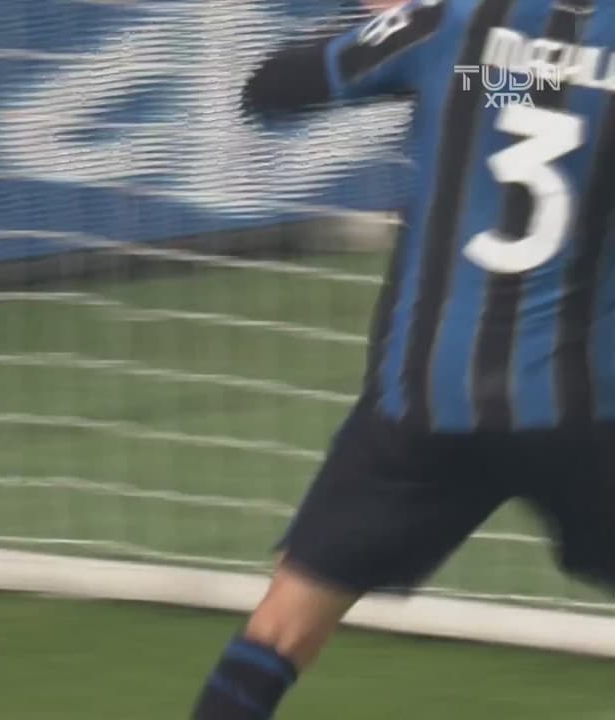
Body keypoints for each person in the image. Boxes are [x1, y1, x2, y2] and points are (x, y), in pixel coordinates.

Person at [192, 1, 613, 716]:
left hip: (423, 403)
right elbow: (562, 79)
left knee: (286, 622)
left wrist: (410, 37)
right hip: (585, 415)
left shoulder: (451, 22)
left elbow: (271, 88)